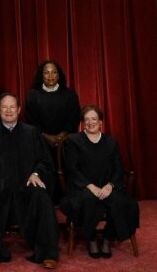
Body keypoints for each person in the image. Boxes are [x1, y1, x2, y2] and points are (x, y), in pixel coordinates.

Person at [0, 93, 60, 269]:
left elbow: (45, 161)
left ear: (19, 109)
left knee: (42, 197)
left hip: (25, 186)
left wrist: (36, 174)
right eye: (5, 107)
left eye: (12, 107)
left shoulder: (31, 133)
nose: (9, 110)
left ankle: (47, 253)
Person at [60, 105, 139, 259]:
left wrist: (110, 186)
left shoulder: (111, 142)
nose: (90, 122)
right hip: (83, 187)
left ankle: (108, 238)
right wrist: (90, 186)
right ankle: (90, 238)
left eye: (94, 119)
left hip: (107, 187)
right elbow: (72, 169)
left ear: (101, 122)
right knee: (88, 199)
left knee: (121, 203)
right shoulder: (74, 141)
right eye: (86, 119)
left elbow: (118, 169)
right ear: (82, 123)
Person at [25, 60, 80, 148]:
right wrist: (46, 137)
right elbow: (31, 120)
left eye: (54, 72)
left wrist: (62, 135)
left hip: (66, 142)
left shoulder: (70, 94)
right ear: (42, 75)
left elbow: (74, 117)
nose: (50, 76)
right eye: (46, 73)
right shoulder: (33, 95)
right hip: (40, 143)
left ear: (58, 75)